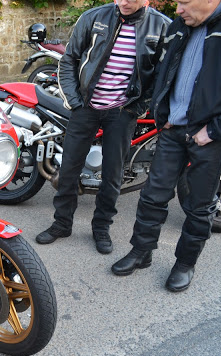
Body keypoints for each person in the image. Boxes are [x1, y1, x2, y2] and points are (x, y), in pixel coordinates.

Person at [35, 0, 170, 254]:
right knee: (69, 167)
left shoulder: (161, 26)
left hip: (122, 111)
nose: (124, 2)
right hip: (86, 107)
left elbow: (162, 76)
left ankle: (101, 227)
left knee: (112, 174)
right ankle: (61, 223)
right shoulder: (94, 17)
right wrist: (74, 102)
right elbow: (69, 59)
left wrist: (137, 108)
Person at [112, 0, 221, 292]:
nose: (178, 9)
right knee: (152, 196)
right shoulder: (180, 26)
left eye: (185, 2)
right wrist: (161, 114)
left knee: (199, 208)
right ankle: (141, 252)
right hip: (173, 130)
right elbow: (163, 71)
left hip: (208, 138)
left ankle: (185, 264)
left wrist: (213, 130)